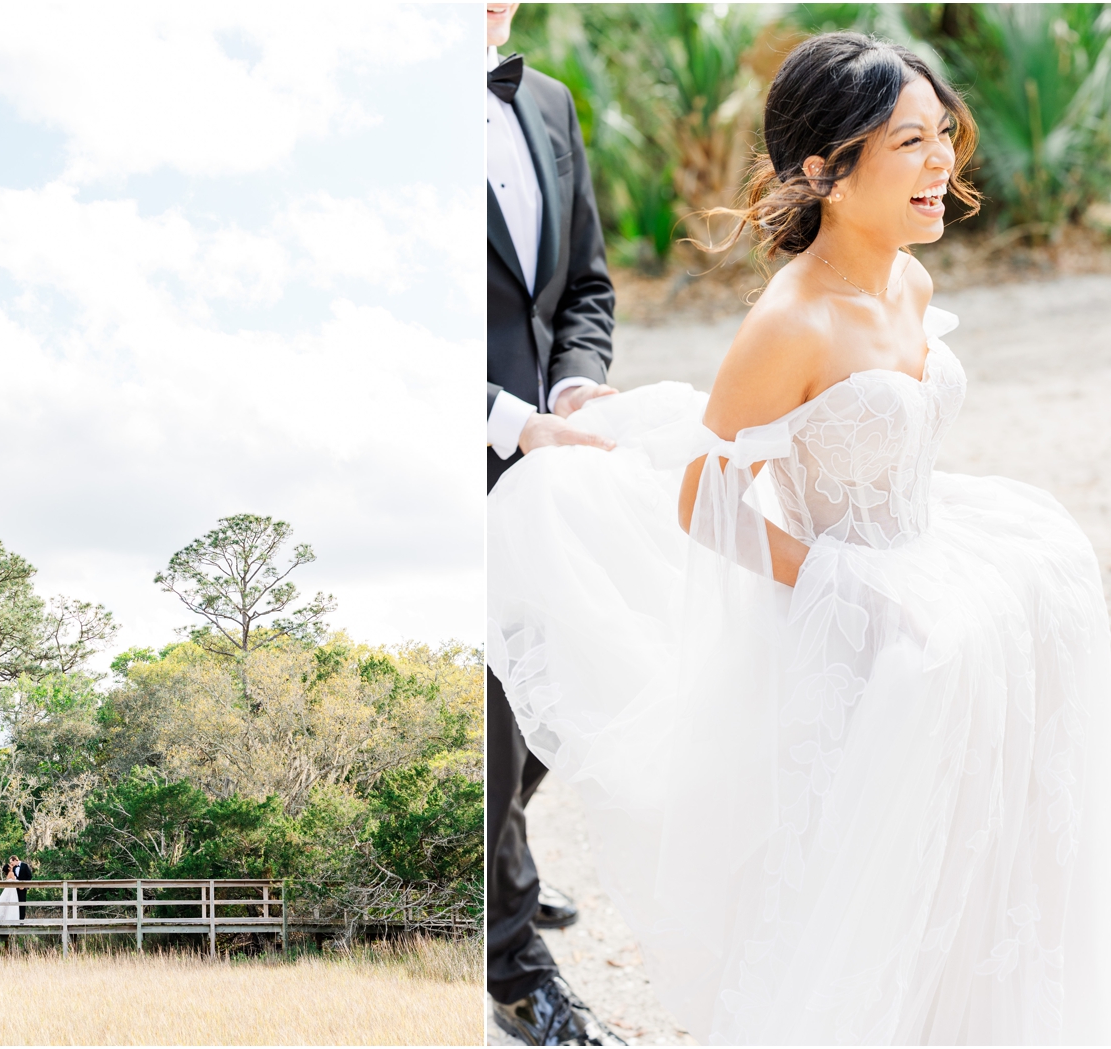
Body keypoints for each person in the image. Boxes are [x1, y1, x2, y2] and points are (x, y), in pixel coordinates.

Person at [487, 31, 1111, 1046]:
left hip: (926, 567)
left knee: (972, 860)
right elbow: (703, 494)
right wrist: (840, 580)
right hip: (852, 620)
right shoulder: (789, 323)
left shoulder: (907, 283)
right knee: (860, 902)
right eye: (907, 141)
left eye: (939, 135)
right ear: (824, 168)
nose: (939, 163)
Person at [485, 2, 620, 1044]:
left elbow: (582, 283)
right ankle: (514, 968)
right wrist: (505, 422)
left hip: (550, 463)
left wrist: (573, 386)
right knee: (481, 720)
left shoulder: (547, 101)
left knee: (553, 694)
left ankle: (504, 854)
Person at [10, 854, 33, 921]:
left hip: (23, 888)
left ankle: (22, 919)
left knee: (22, 903)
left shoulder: (24, 865)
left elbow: (29, 876)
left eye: (12, 862)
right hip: (15, 888)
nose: (11, 864)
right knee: (16, 903)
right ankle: (16, 918)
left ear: (15, 860)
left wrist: (24, 885)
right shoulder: (13, 868)